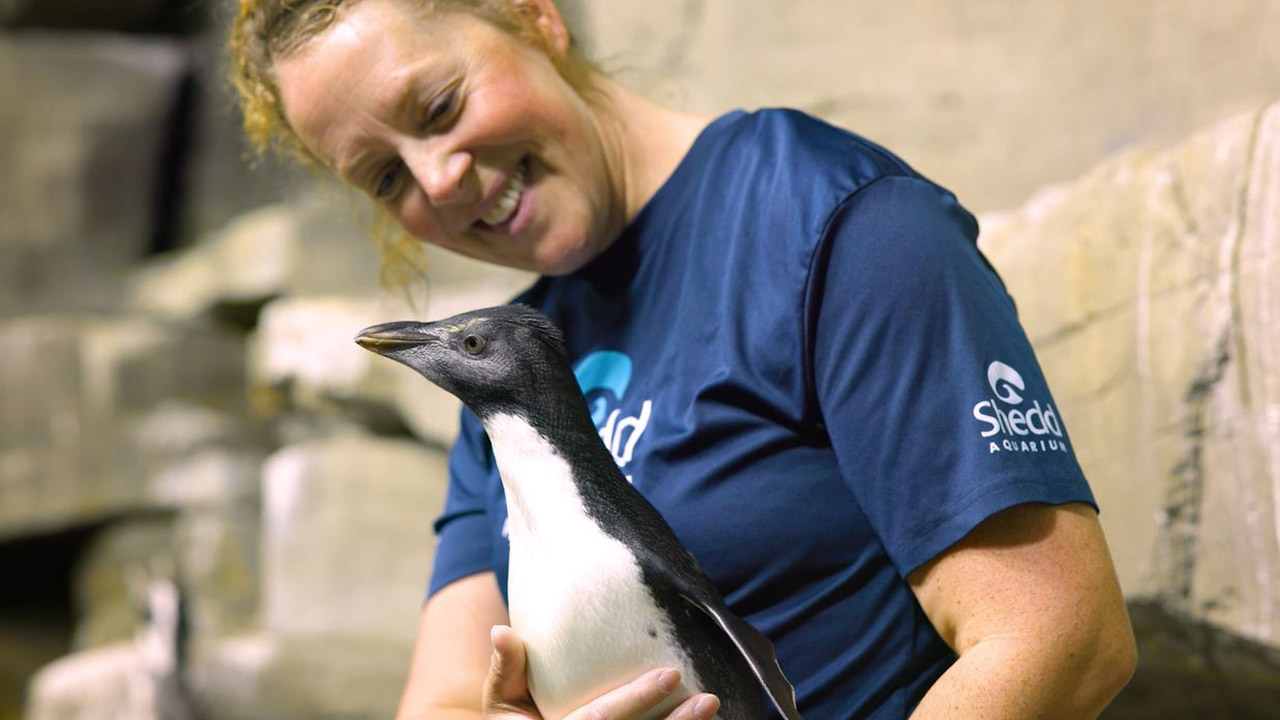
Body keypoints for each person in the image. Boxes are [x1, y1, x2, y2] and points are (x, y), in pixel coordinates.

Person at [229, 1, 1138, 719]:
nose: (435, 179)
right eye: (384, 176)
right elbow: (439, 702)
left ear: (531, 12)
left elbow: (1059, 638)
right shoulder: (510, 359)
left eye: (439, 107)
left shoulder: (830, 224)